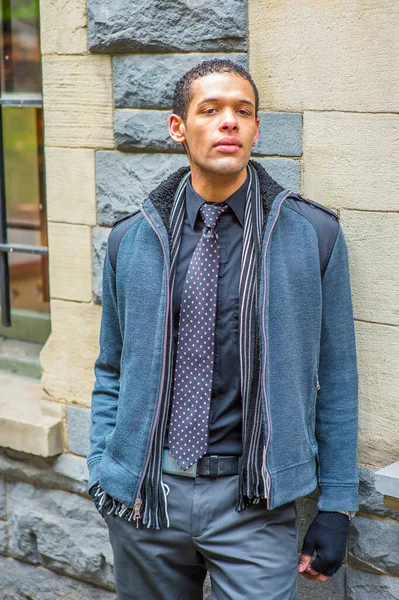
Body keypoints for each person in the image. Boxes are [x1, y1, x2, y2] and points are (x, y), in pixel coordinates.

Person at [87, 59, 359, 600]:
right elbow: (112, 368)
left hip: (254, 503)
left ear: (257, 129)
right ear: (178, 127)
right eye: (209, 110)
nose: (228, 121)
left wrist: (336, 504)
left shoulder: (314, 235)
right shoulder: (130, 241)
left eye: (243, 111)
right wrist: (105, 469)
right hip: (147, 500)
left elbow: (338, 378)